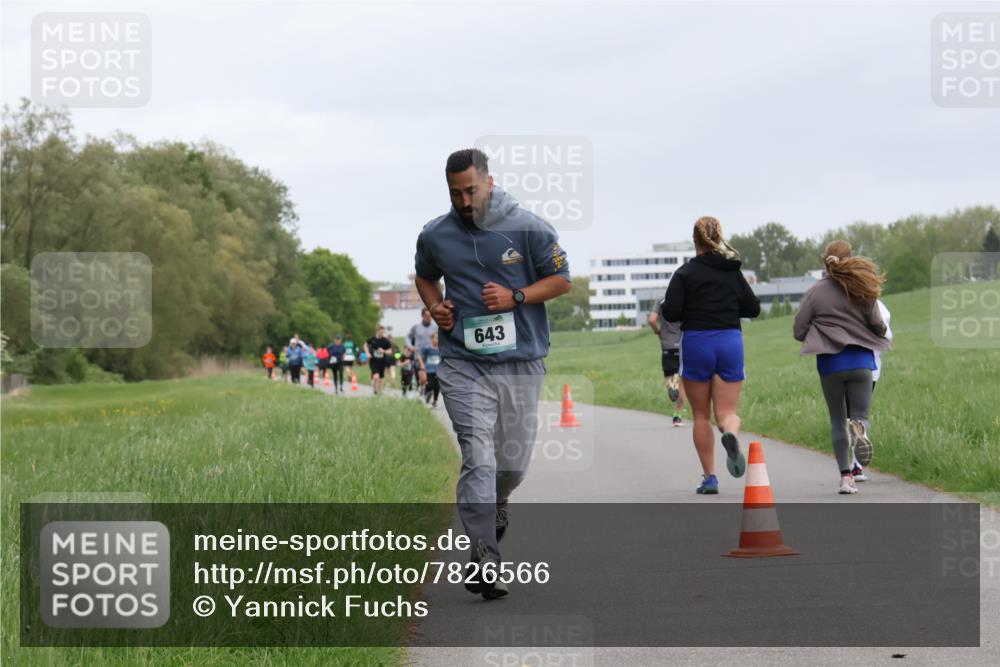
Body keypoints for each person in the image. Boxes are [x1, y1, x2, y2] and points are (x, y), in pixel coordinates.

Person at [414, 148, 571, 599]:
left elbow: (561, 280)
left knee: (512, 466)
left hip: (522, 361)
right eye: (455, 192)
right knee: (478, 456)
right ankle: (484, 557)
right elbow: (425, 277)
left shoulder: (531, 228)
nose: (465, 201)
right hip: (463, 362)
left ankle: (499, 503)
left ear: (490, 181)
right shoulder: (436, 235)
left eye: (472, 190)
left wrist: (517, 297)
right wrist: (435, 306)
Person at [661, 216, 760, 495]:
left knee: (701, 416)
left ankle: (710, 478)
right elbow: (752, 308)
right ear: (719, 237)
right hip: (730, 341)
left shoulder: (685, 273)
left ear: (695, 241)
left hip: (697, 343)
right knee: (727, 412)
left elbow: (670, 312)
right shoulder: (732, 271)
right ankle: (730, 433)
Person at [794, 241, 890, 495]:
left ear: (824, 261)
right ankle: (859, 431)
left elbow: (798, 330)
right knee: (860, 415)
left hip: (831, 363)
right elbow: (878, 325)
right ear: (851, 259)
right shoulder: (862, 287)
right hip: (861, 361)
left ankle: (846, 478)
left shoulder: (816, 291)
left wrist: (820, 327)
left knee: (838, 420)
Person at [849, 298, 892, 482]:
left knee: (843, 415)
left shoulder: (834, 300)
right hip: (869, 367)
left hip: (836, 365)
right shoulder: (877, 305)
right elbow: (886, 337)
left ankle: (845, 470)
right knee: (860, 415)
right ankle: (856, 467)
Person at [649, 300, 686, 426]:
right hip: (682, 344)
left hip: (667, 346)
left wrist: (657, 331)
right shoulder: (684, 300)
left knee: (669, 376)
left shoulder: (660, 301)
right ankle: (677, 417)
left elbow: (652, 319)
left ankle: (671, 385)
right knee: (682, 384)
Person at [408, 307, 439, 393]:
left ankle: (427, 395)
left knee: (429, 378)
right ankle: (420, 390)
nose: (429, 317)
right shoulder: (416, 327)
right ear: (422, 316)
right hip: (419, 356)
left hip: (431, 356)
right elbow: (408, 337)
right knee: (421, 379)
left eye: (430, 316)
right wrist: (410, 346)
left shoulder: (436, 327)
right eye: (427, 316)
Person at [365, 325, 393, 395]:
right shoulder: (372, 339)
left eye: (383, 332)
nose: (382, 334)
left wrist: (384, 351)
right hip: (373, 361)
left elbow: (390, 351)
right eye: (381, 332)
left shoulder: (385, 341)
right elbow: (365, 345)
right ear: (377, 331)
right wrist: (367, 353)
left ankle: (379, 391)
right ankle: (375, 390)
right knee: (376, 376)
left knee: (381, 378)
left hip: (382, 362)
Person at [419, 333, 442, 407]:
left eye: (438, 338)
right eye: (435, 338)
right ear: (432, 339)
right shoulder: (427, 348)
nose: (437, 340)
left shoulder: (440, 348)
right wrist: (422, 364)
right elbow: (419, 356)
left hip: (438, 370)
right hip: (429, 370)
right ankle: (426, 395)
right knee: (430, 385)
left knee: (437, 386)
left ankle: (435, 401)